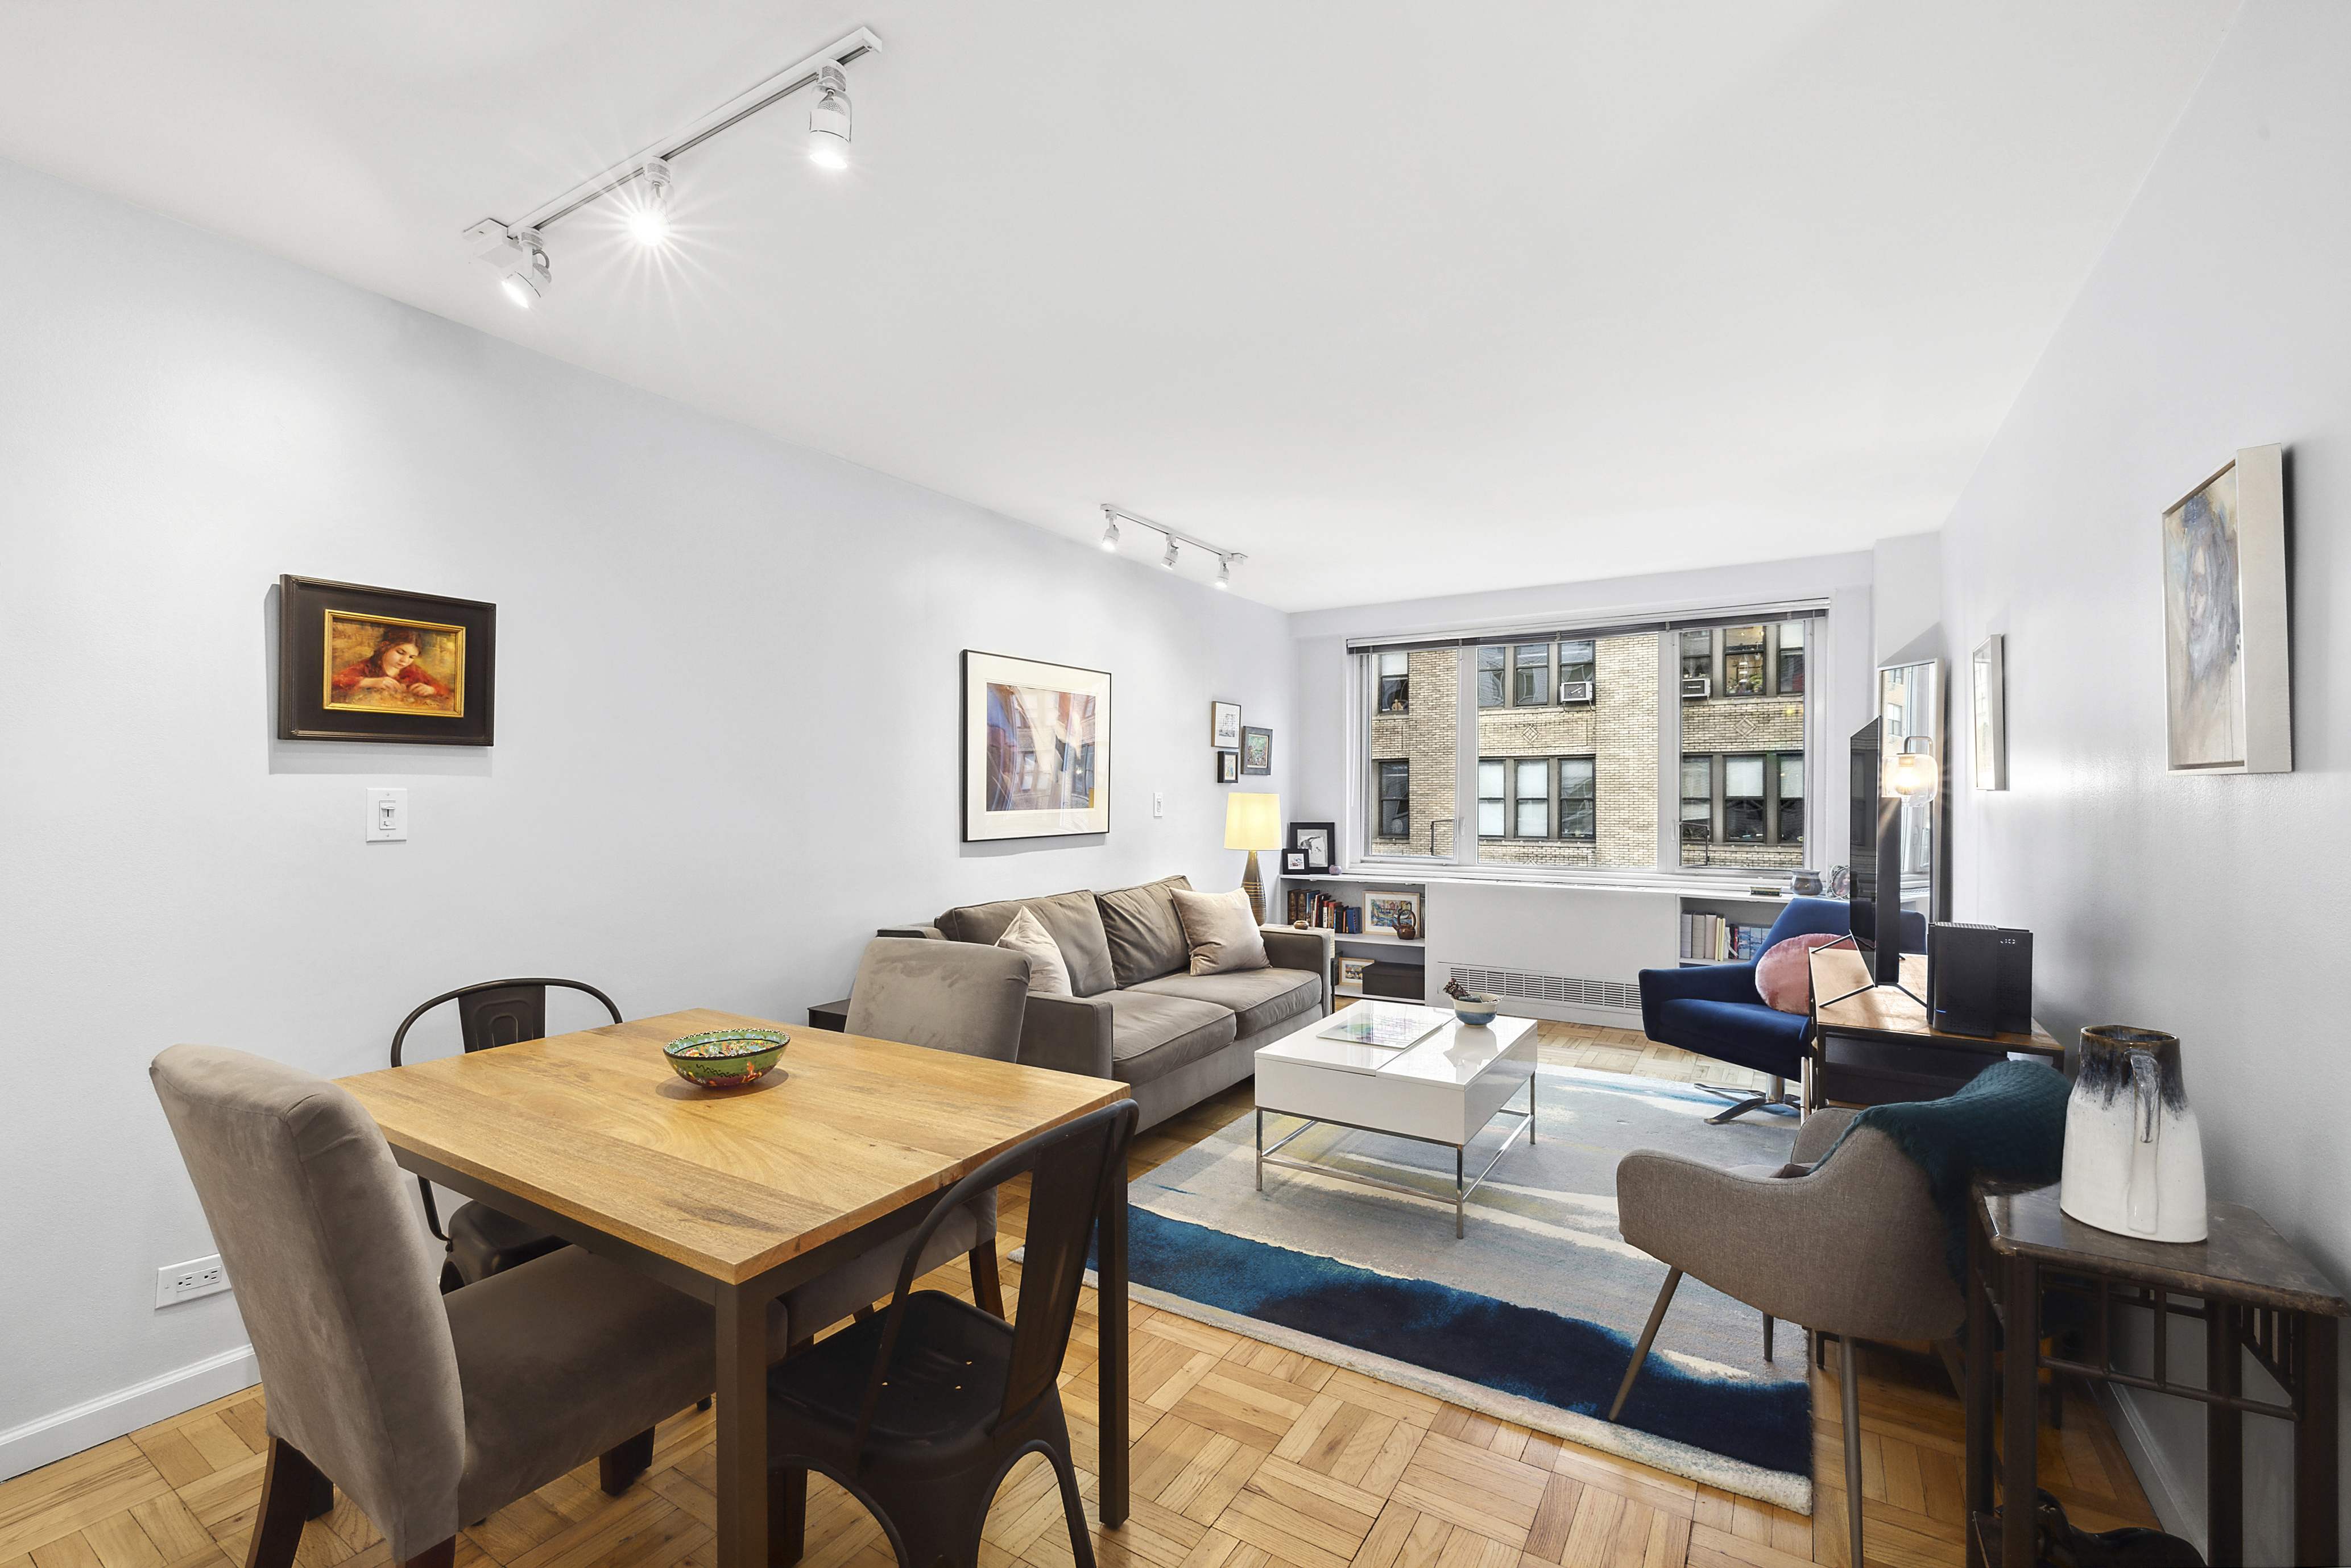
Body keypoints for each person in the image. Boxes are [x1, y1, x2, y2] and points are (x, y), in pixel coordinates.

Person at [332, 626, 446, 700]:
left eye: (412, 657)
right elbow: (335, 681)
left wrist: (432, 690)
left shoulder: (412, 671)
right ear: (385, 646)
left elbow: (446, 691)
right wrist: (369, 682)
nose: (405, 661)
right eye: (401, 653)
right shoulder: (367, 666)